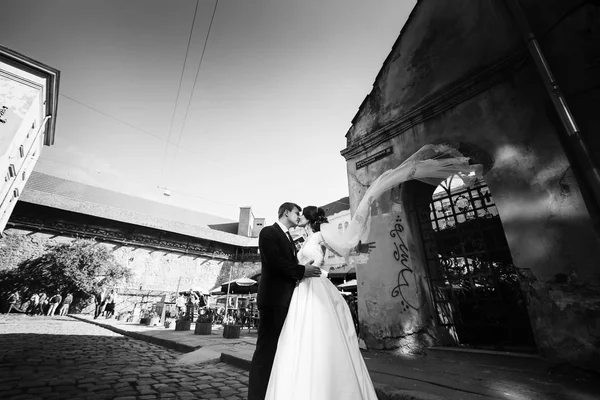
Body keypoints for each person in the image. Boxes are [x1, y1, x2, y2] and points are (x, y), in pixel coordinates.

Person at [264, 206, 378, 399]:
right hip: (301, 290)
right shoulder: (302, 241)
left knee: (320, 332)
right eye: (296, 214)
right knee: (299, 334)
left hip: (316, 286)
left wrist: (359, 248)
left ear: (308, 219)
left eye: (301, 215)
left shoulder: (319, 236)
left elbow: (341, 248)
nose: (298, 217)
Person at [248, 202, 321, 400]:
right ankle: (257, 395)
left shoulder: (289, 237)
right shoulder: (269, 233)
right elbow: (275, 262)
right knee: (266, 350)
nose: (299, 216)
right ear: (286, 212)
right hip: (273, 299)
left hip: (286, 300)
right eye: (297, 212)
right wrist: (301, 271)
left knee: (281, 351)